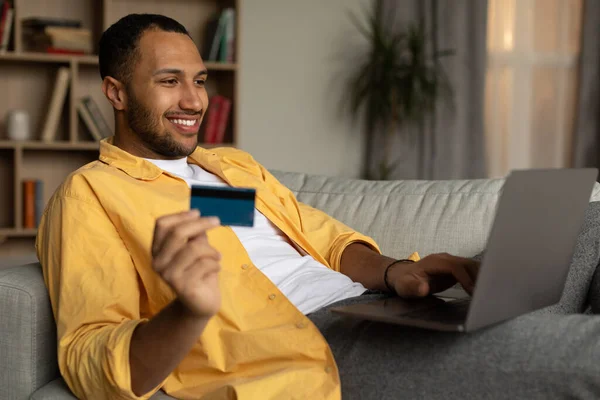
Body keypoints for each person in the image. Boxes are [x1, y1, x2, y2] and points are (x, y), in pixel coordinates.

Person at [36, 13, 600, 400]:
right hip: (311, 343)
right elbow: (90, 357)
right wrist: (189, 310)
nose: (194, 100)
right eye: (169, 81)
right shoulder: (92, 195)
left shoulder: (225, 167)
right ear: (115, 92)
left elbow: (321, 237)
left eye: (200, 80)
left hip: (370, 305)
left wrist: (396, 272)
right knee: (585, 356)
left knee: (592, 228)